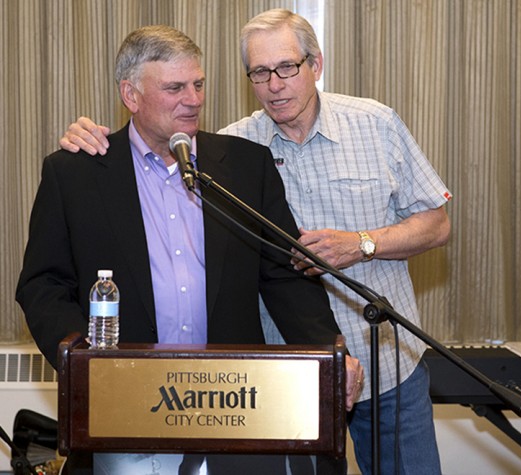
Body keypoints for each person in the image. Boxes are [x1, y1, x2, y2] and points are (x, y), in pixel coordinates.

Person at [60, 9, 451, 474]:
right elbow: (279, 273)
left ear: (316, 65)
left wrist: (362, 244)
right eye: (260, 73)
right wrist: (86, 137)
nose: (275, 84)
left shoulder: (375, 124)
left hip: (384, 364)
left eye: (287, 67)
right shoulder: (231, 150)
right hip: (276, 381)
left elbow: (438, 224)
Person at [17, 25, 363, 475]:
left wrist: (331, 352)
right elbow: (43, 284)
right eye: (175, 87)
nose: (194, 99)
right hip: (127, 405)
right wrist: (83, 361)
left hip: (231, 405)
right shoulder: (76, 173)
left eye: (198, 84)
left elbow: (285, 276)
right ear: (131, 94)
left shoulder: (243, 166)